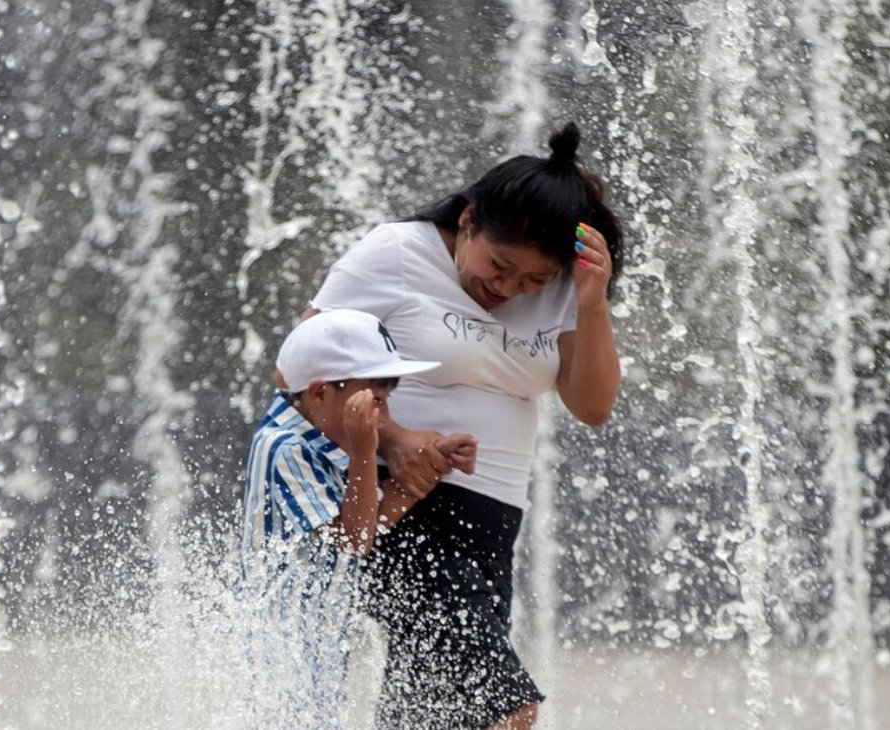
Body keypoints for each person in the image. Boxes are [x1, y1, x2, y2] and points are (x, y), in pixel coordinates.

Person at [305, 121, 624, 729]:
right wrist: (393, 440)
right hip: (396, 503)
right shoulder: (399, 252)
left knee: (432, 716)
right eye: (498, 266)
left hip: (491, 522)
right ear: (470, 220)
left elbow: (593, 406)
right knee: (506, 707)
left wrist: (590, 300)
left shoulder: (567, 288)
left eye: (533, 280)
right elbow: (301, 370)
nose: (507, 289)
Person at [239, 308, 476, 728]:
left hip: (320, 643)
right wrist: (367, 453)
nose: (381, 414)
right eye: (372, 398)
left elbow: (367, 522)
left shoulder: (320, 439)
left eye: (387, 396)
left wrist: (427, 471)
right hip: (283, 647)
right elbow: (356, 539)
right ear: (318, 394)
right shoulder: (284, 447)